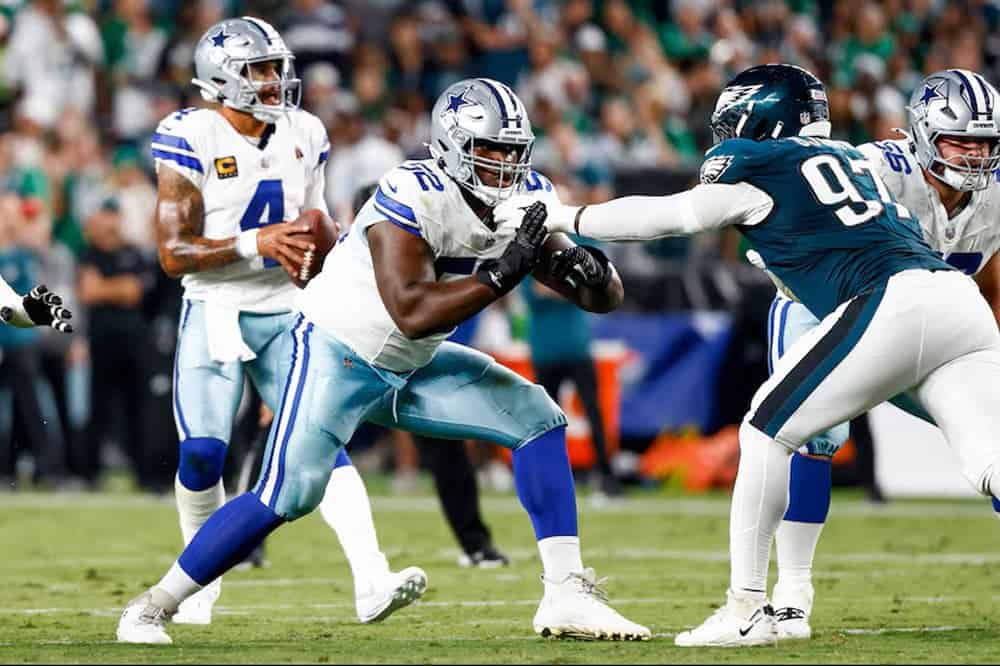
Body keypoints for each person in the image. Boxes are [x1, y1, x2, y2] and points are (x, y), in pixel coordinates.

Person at [116, 77, 651, 645]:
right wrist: (502, 274)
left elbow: (598, 296)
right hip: (337, 353)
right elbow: (411, 309)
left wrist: (594, 277)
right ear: (450, 145)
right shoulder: (410, 190)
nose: (503, 164)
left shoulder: (527, 198)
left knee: (537, 418)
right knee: (286, 494)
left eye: (512, 151)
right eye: (489, 149)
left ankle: (566, 593)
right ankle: (153, 605)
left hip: (411, 363)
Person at [499, 63, 1000, 647]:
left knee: (765, 430)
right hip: (959, 304)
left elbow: (673, 217)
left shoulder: (759, 160)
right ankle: (775, 598)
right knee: (989, 461)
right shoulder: (855, 159)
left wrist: (564, 217)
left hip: (892, 299)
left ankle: (746, 608)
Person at [141, 17, 424, 627]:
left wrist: (331, 275)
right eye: (259, 70)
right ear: (221, 78)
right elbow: (171, 253)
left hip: (289, 311)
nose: (274, 81)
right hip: (215, 307)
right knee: (202, 455)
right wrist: (256, 243)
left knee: (320, 440)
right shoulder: (189, 134)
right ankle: (197, 583)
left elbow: (317, 224)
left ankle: (372, 578)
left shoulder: (307, 131)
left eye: (276, 67)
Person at [760, 68, 1000, 641]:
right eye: (959, 140)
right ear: (920, 134)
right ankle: (791, 594)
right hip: (824, 309)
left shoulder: (993, 200)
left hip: (927, 330)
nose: (973, 156)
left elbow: (990, 287)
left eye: (984, 143)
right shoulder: (877, 169)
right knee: (808, 437)